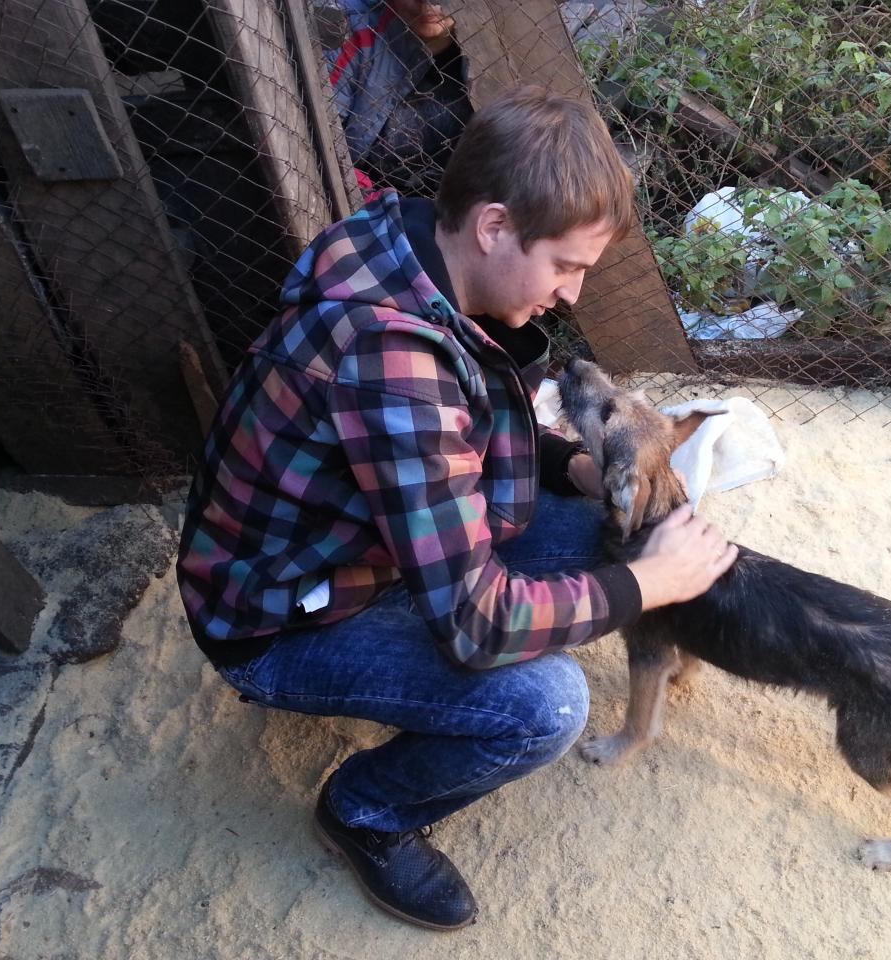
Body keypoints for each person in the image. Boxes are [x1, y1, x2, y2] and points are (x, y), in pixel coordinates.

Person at [176, 86, 738, 932]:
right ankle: (366, 813)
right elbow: (479, 627)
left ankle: (462, 624)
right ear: (494, 226)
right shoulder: (391, 360)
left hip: (358, 547)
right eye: (567, 266)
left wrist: (577, 469)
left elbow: (465, 431)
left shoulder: (407, 249)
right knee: (544, 707)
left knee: (609, 533)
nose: (573, 294)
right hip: (276, 621)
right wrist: (648, 587)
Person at [326, 0, 471, 196]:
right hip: (354, 187)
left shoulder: (491, 71)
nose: (427, 5)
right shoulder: (346, 28)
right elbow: (324, 143)